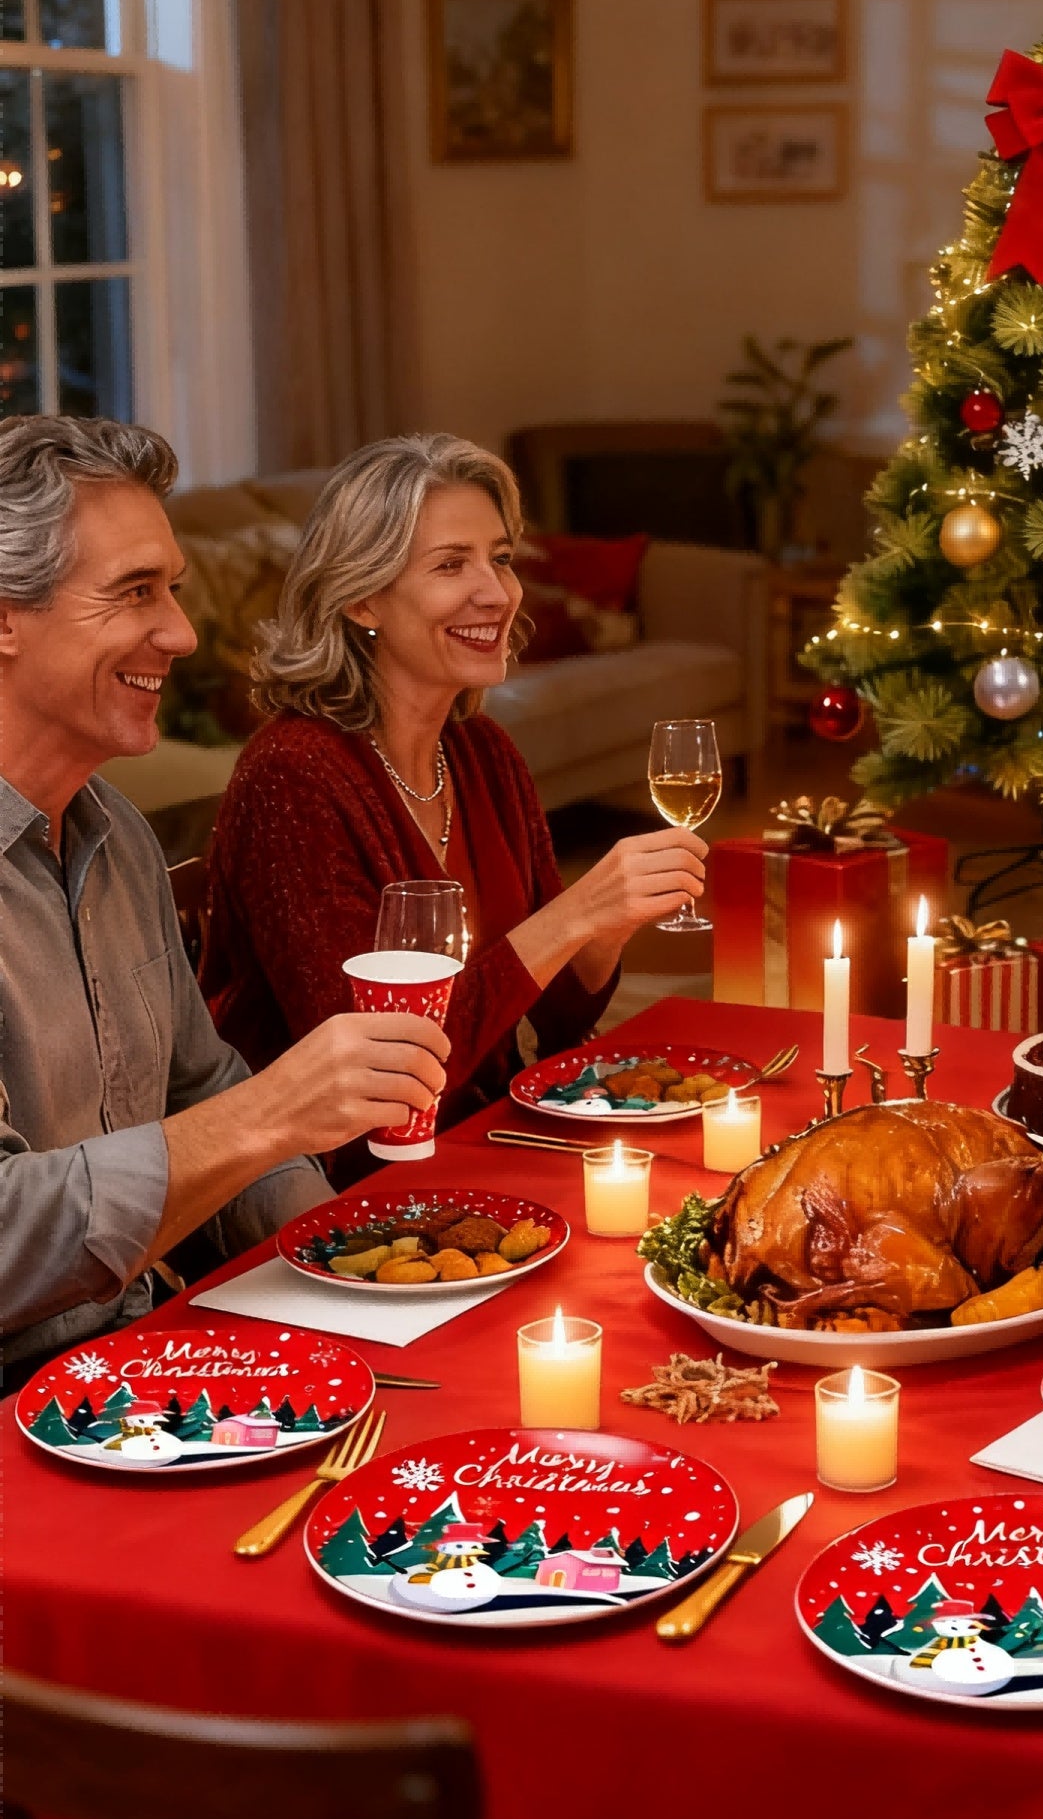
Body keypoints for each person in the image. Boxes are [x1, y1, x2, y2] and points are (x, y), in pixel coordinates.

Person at [0, 417, 451, 1379]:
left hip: (145, 1363)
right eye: (134, 593)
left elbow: (198, 1085)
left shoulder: (112, 831)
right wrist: (275, 1112)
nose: (182, 633)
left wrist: (357, 1263)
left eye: (173, 589)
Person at [200, 434, 706, 1131]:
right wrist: (573, 914)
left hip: (480, 1129)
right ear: (363, 600)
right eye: (450, 565)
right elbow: (380, 1083)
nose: (496, 593)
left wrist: (607, 924)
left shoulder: (480, 753)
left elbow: (560, 1013)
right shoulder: (293, 777)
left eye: (499, 559)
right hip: (334, 1179)